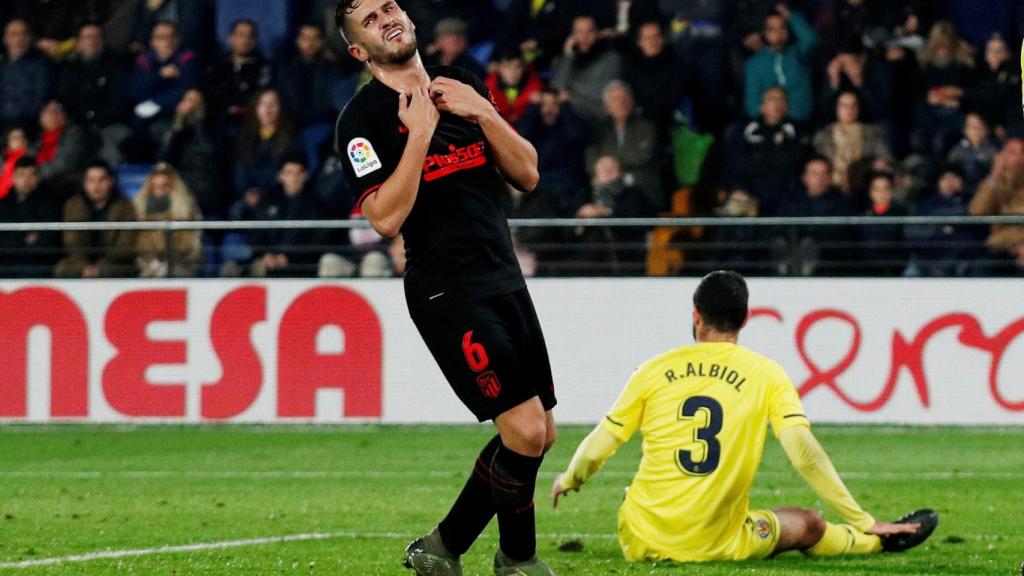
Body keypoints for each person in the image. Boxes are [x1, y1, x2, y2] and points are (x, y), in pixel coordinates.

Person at [333, 1, 556, 574]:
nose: (385, 17)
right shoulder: (360, 122)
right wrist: (419, 137)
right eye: (368, 19)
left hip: (502, 273)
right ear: (359, 50)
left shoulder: (460, 83)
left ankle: (441, 548)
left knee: (540, 434)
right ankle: (518, 561)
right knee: (525, 430)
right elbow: (384, 218)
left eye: (389, 6)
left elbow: (528, 174)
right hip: (446, 290)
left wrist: (483, 110)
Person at [551, 271, 938, 564]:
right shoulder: (767, 374)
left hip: (639, 539)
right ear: (745, 319)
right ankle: (877, 540)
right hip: (717, 542)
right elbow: (803, 451)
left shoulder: (653, 370)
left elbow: (603, 441)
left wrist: (570, 478)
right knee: (809, 524)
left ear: (696, 315)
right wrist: (861, 517)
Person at [54, 160, 138, 278]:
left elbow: (125, 245)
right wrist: (84, 266)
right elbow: (71, 240)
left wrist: (100, 267)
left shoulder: (125, 207)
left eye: (101, 180)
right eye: (91, 180)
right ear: (84, 183)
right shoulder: (73, 205)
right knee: (62, 268)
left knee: (115, 270)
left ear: (111, 181)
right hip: (81, 262)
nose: (96, 185)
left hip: (114, 262)